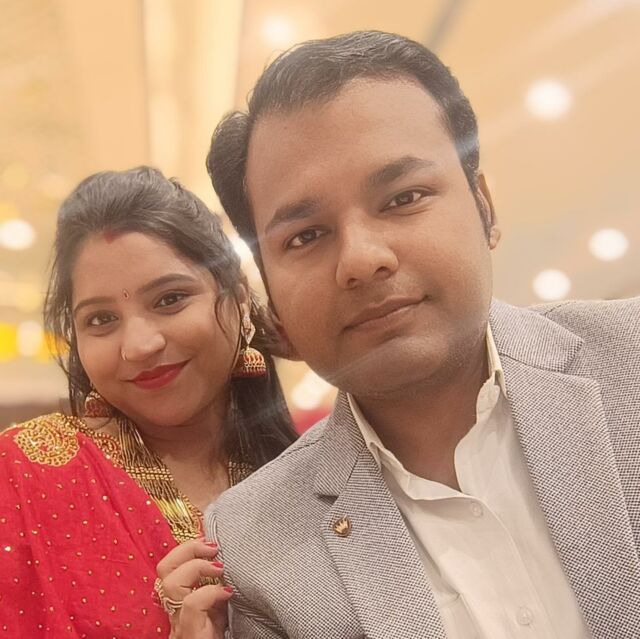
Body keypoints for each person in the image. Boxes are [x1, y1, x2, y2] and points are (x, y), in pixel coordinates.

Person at [197, 31, 640, 638]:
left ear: (483, 206)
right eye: (305, 236)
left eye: (403, 198)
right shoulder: (254, 548)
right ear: (270, 289)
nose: (361, 259)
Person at [0, 166, 297, 637]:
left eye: (169, 299)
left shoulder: (322, 463)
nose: (138, 346)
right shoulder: (20, 476)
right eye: (101, 320)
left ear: (239, 299)